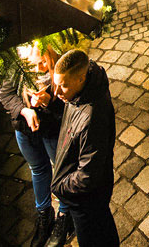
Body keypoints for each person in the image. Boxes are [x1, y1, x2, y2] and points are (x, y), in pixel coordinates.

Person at [0, 44, 66, 247]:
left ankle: (65, 214)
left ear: (50, 55)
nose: (39, 68)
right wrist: (25, 110)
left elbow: (70, 101)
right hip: (26, 131)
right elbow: (6, 95)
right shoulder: (16, 68)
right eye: (33, 65)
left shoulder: (59, 67)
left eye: (43, 62)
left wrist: (48, 101)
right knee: (38, 169)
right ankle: (44, 213)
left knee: (61, 169)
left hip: (53, 128)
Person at [50, 49, 117, 247]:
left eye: (62, 86)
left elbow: (87, 175)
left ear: (80, 79)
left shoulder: (92, 118)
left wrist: (60, 186)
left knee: (95, 237)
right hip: (85, 195)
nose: (57, 92)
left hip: (87, 198)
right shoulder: (79, 93)